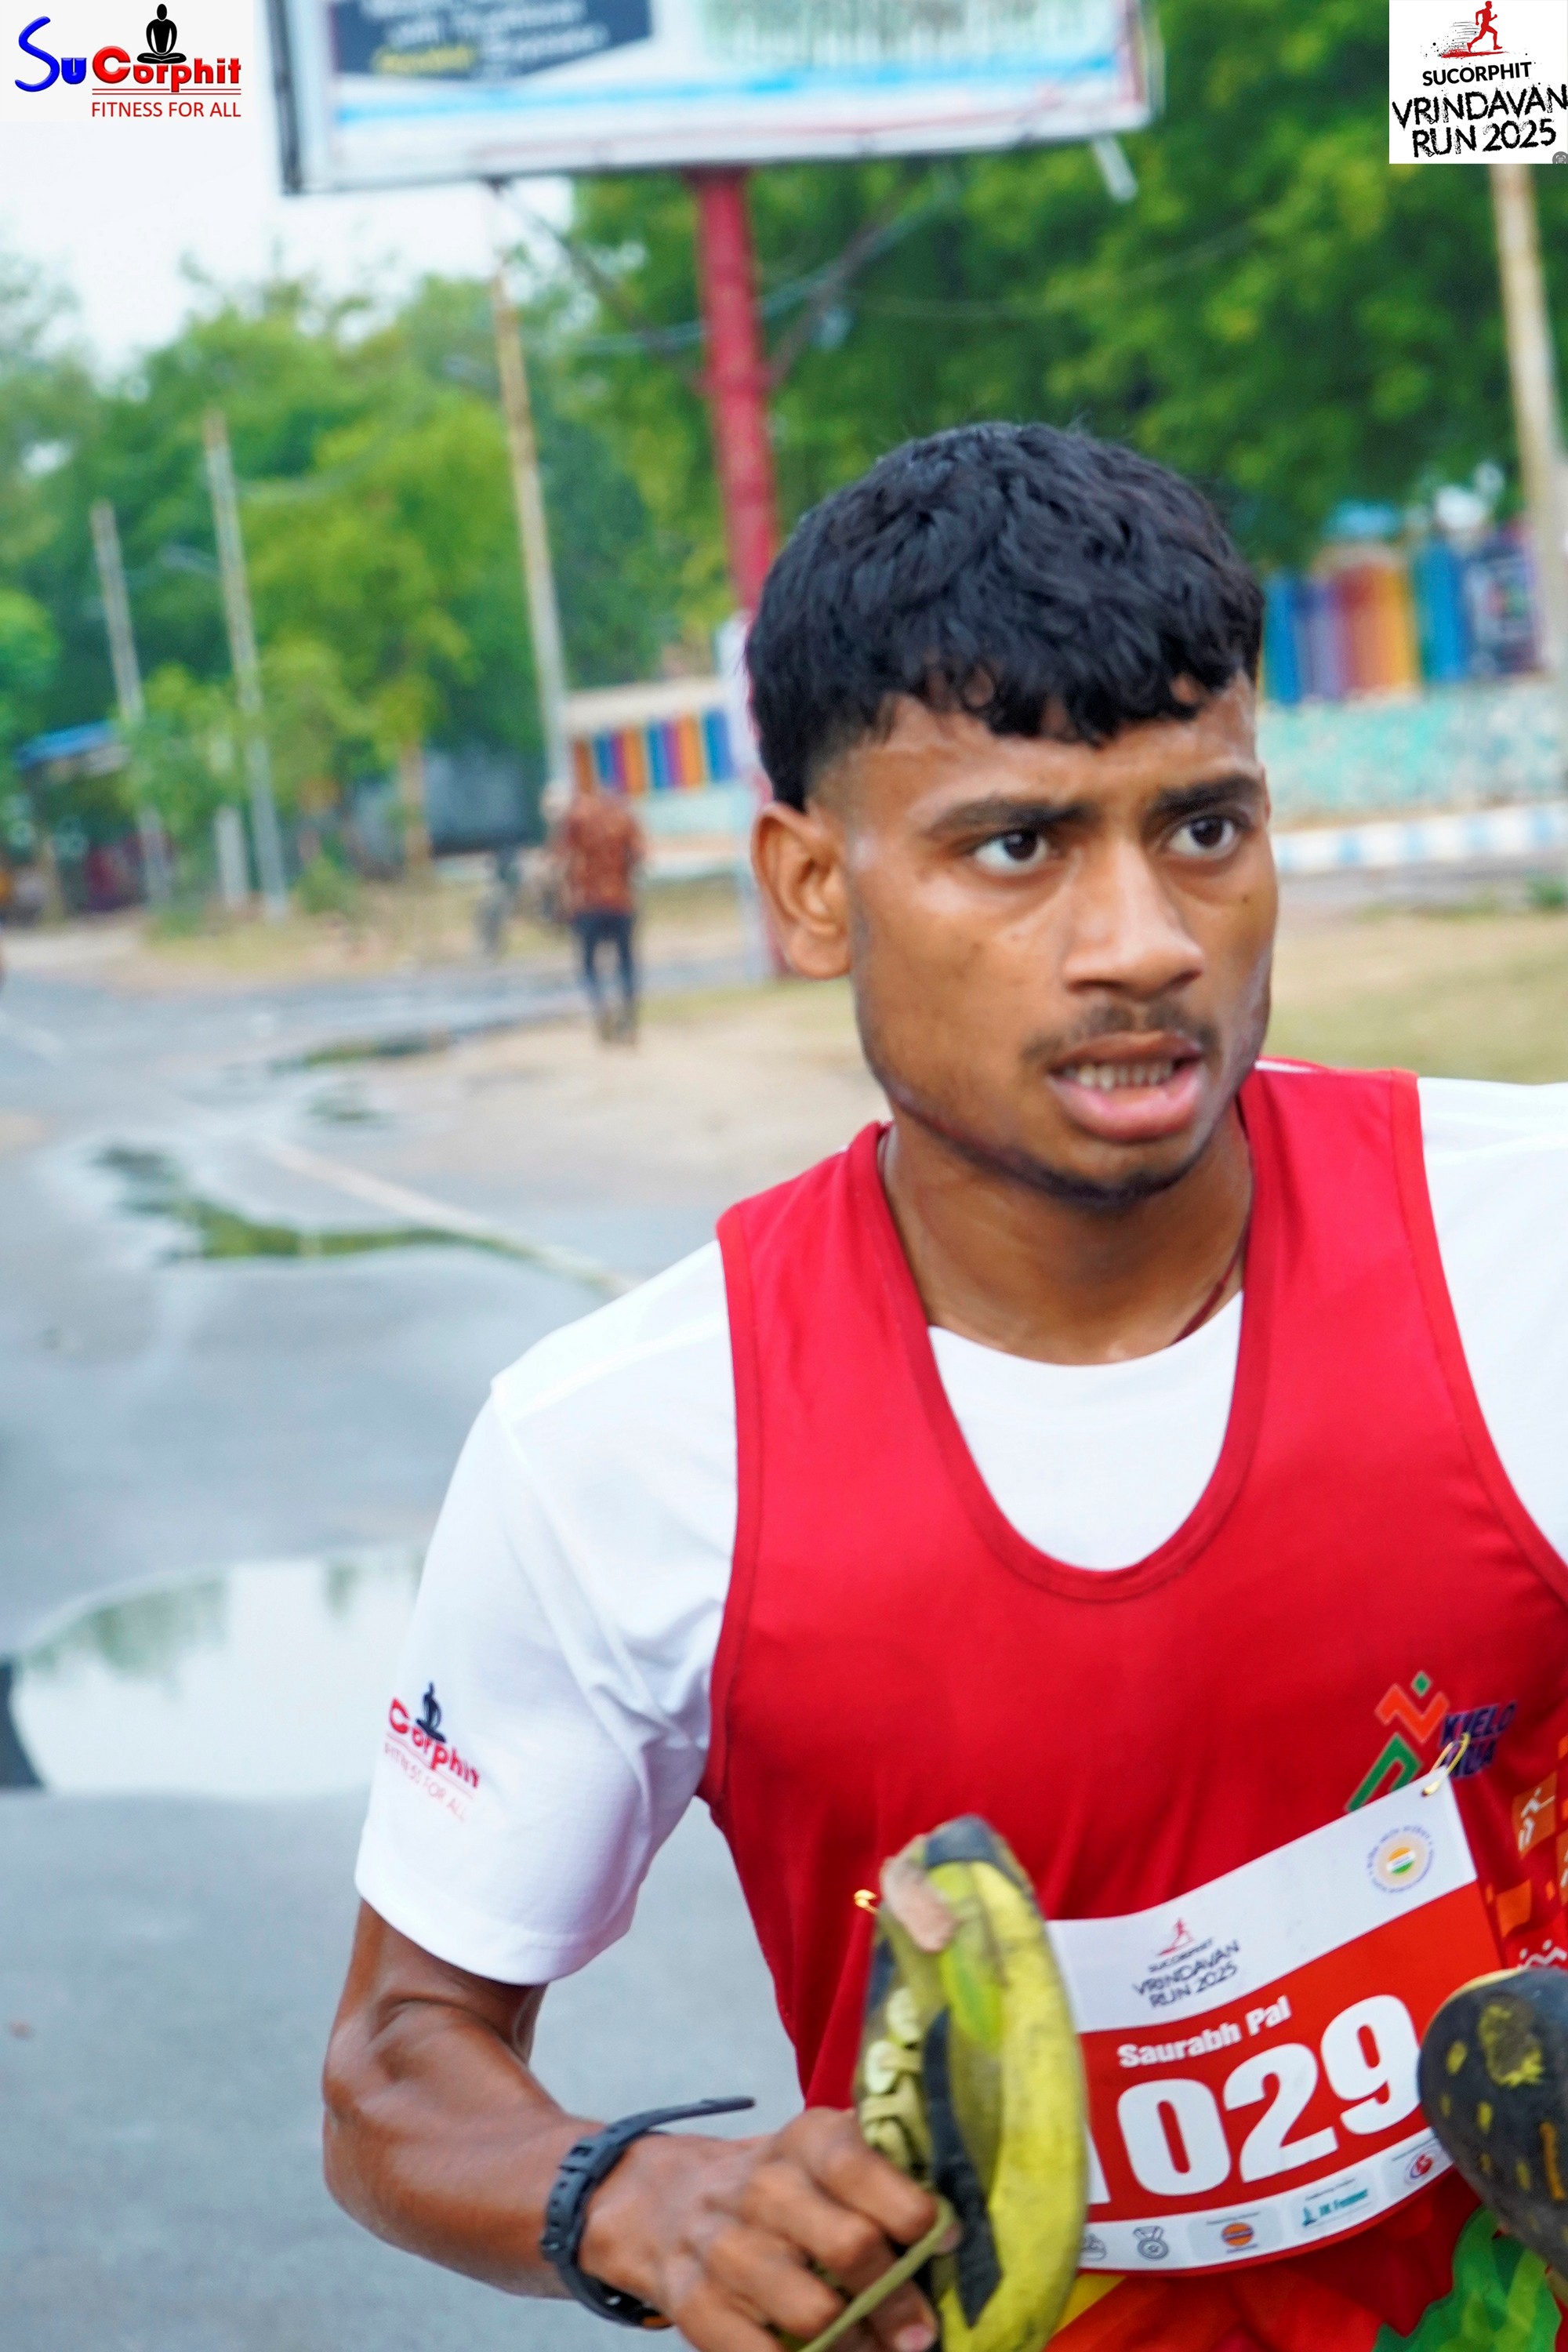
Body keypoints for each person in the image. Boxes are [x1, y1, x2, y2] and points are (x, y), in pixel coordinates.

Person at [322, 424, 1568, 2352]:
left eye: (1202, 828)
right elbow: (396, 2062)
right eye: (1016, 845)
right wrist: (641, 2196)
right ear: (812, 888)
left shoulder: (1529, 1240)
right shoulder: (619, 1445)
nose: (1141, 941)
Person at [555, 768, 645, 1041]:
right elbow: (639, 856)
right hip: (620, 901)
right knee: (626, 962)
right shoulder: (624, 817)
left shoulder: (577, 817)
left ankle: (601, 1009)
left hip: (587, 903)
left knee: (588, 964)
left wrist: (565, 898)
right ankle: (628, 1019)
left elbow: (563, 859)